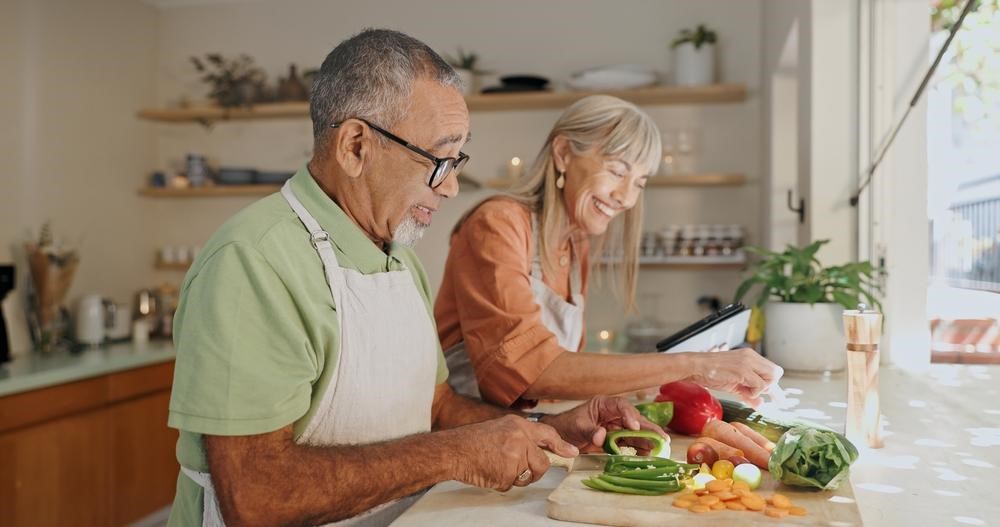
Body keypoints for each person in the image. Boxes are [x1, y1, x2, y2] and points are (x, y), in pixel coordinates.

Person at [165, 29, 665, 527]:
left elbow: (437, 406)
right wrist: (453, 455)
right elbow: (257, 497)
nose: (449, 187)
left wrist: (546, 428)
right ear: (356, 146)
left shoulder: (400, 260)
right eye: (438, 160)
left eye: (457, 160)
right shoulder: (252, 262)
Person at [434, 95, 783, 409]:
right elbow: (531, 369)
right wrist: (693, 364)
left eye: (640, 183)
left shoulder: (575, 243)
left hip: (522, 436)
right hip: (466, 445)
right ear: (564, 153)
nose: (627, 198)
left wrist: (676, 377)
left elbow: (561, 377)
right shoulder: (496, 224)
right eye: (617, 171)